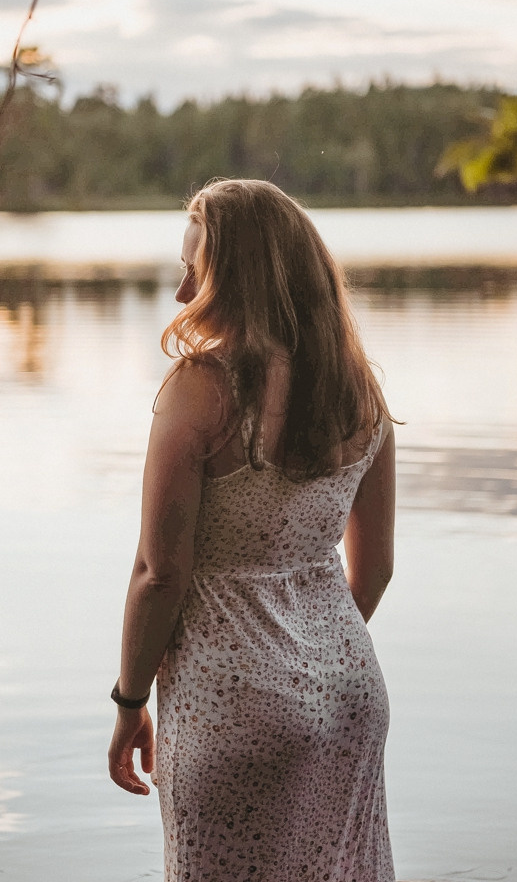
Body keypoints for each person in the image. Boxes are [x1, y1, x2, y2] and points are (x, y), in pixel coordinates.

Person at [108, 179, 397, 882]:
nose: (181, 296)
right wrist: (304, 660)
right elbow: (376, 569)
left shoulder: (200, 389)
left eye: (194, 273)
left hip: (228, 700)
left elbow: (159, 572)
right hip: (349, 691)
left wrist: (129, 701)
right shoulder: (359, 390)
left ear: (239, 280)